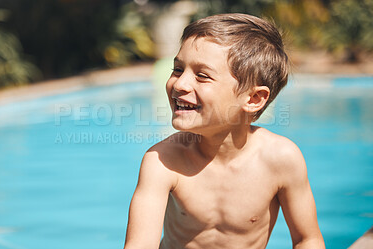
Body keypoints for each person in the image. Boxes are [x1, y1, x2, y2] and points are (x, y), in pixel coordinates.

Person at [124, 13, 325, 249]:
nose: (179, 84)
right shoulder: (163, 161)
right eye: (178, 69)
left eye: (202, 76)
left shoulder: (280, 159)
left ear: (253, 98)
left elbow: (307, 239)